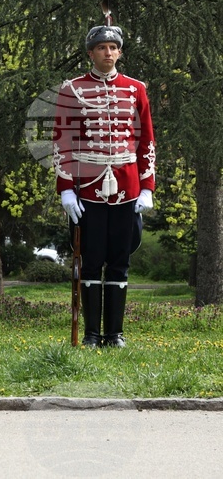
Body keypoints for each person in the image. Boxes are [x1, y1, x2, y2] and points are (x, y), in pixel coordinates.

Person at [53, 24, 155, 347]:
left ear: (120, 52)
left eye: (113, 47)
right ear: (91, 53)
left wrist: (147, 186)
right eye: (101, 48)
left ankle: (115, 334)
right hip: (87, 190)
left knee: (120, 261)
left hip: (126, 189)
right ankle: (92, 335)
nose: (108, 53)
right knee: (91, 260)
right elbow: (62, 142)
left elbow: (146, 141)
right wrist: (66, 187)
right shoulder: (72, 89)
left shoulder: (136, 89)